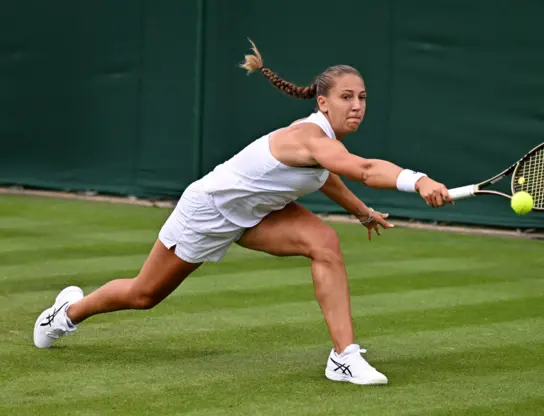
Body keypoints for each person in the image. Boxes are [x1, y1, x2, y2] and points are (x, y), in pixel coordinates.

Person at [33, 39, 452, 385]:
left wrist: (362, 212)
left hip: (257, 216)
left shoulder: (324, 147)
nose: (357, 105)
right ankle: (67, 313)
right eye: (346, 97)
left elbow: (326, 177)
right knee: (144, 294)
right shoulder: (308, 137)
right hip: (208, 211)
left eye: (361, 97)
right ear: (323, 103)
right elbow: (361, 169)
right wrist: (418, 180)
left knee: (324, 242)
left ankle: (343, 357)